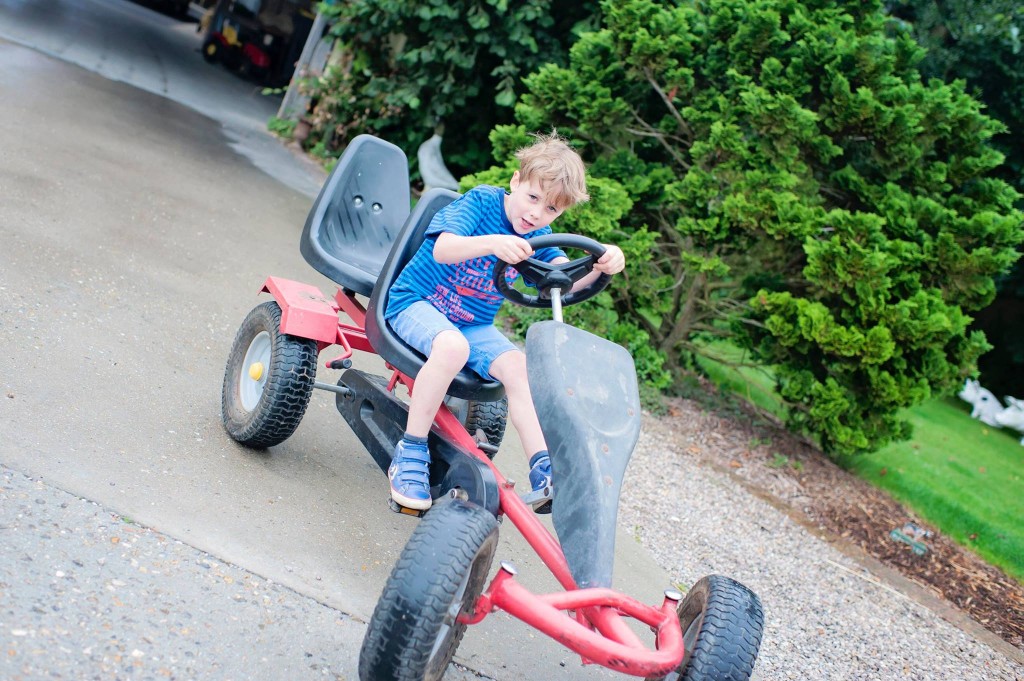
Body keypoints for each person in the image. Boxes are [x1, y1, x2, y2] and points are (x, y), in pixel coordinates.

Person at [384, 132, 625, 512]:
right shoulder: (481, 202)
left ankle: (544, 468)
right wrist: (494, 242)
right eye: (532, 198)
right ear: (515, 181)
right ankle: (411, 450)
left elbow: (561, 277)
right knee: (452, 347)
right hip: (417, 303)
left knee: (518, 367)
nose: (535, 214)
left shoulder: (540, 236)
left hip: (472, 323)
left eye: (551, 210)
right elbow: (444, 249)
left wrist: (601, 265)